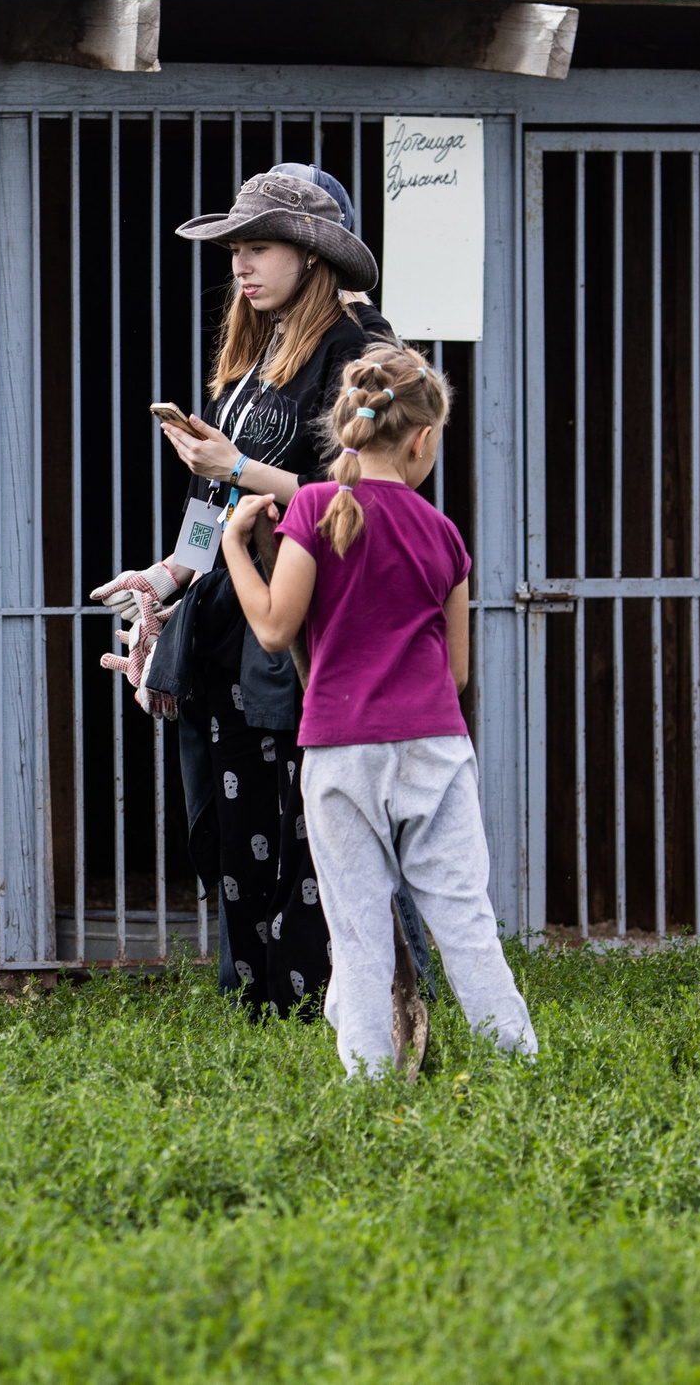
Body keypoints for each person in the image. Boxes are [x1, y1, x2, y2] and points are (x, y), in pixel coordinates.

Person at [90, 165, 389, 1016]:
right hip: (232, 618)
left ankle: (333, 1004)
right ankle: (256, 1006)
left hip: (314, 627)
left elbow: (368, 498)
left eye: (258, 247)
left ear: (312, 254)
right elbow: (214, 502)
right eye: (235, 250)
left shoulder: (365, 352)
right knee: (233, 821)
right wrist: (166, 575)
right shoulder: (256, 354)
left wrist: (240, 465)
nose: (240, 266)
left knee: (308, 826)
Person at [221, 343, 536, 1075]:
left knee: (358, 930)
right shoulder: (444, 533)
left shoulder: (313, 508)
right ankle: (516, 1063)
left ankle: (368, 1076)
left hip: (342, 751)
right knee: (465, 919)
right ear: (422, 439)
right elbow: (456, 672)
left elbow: (274, 628)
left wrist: (237, 545)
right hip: (435, 745)